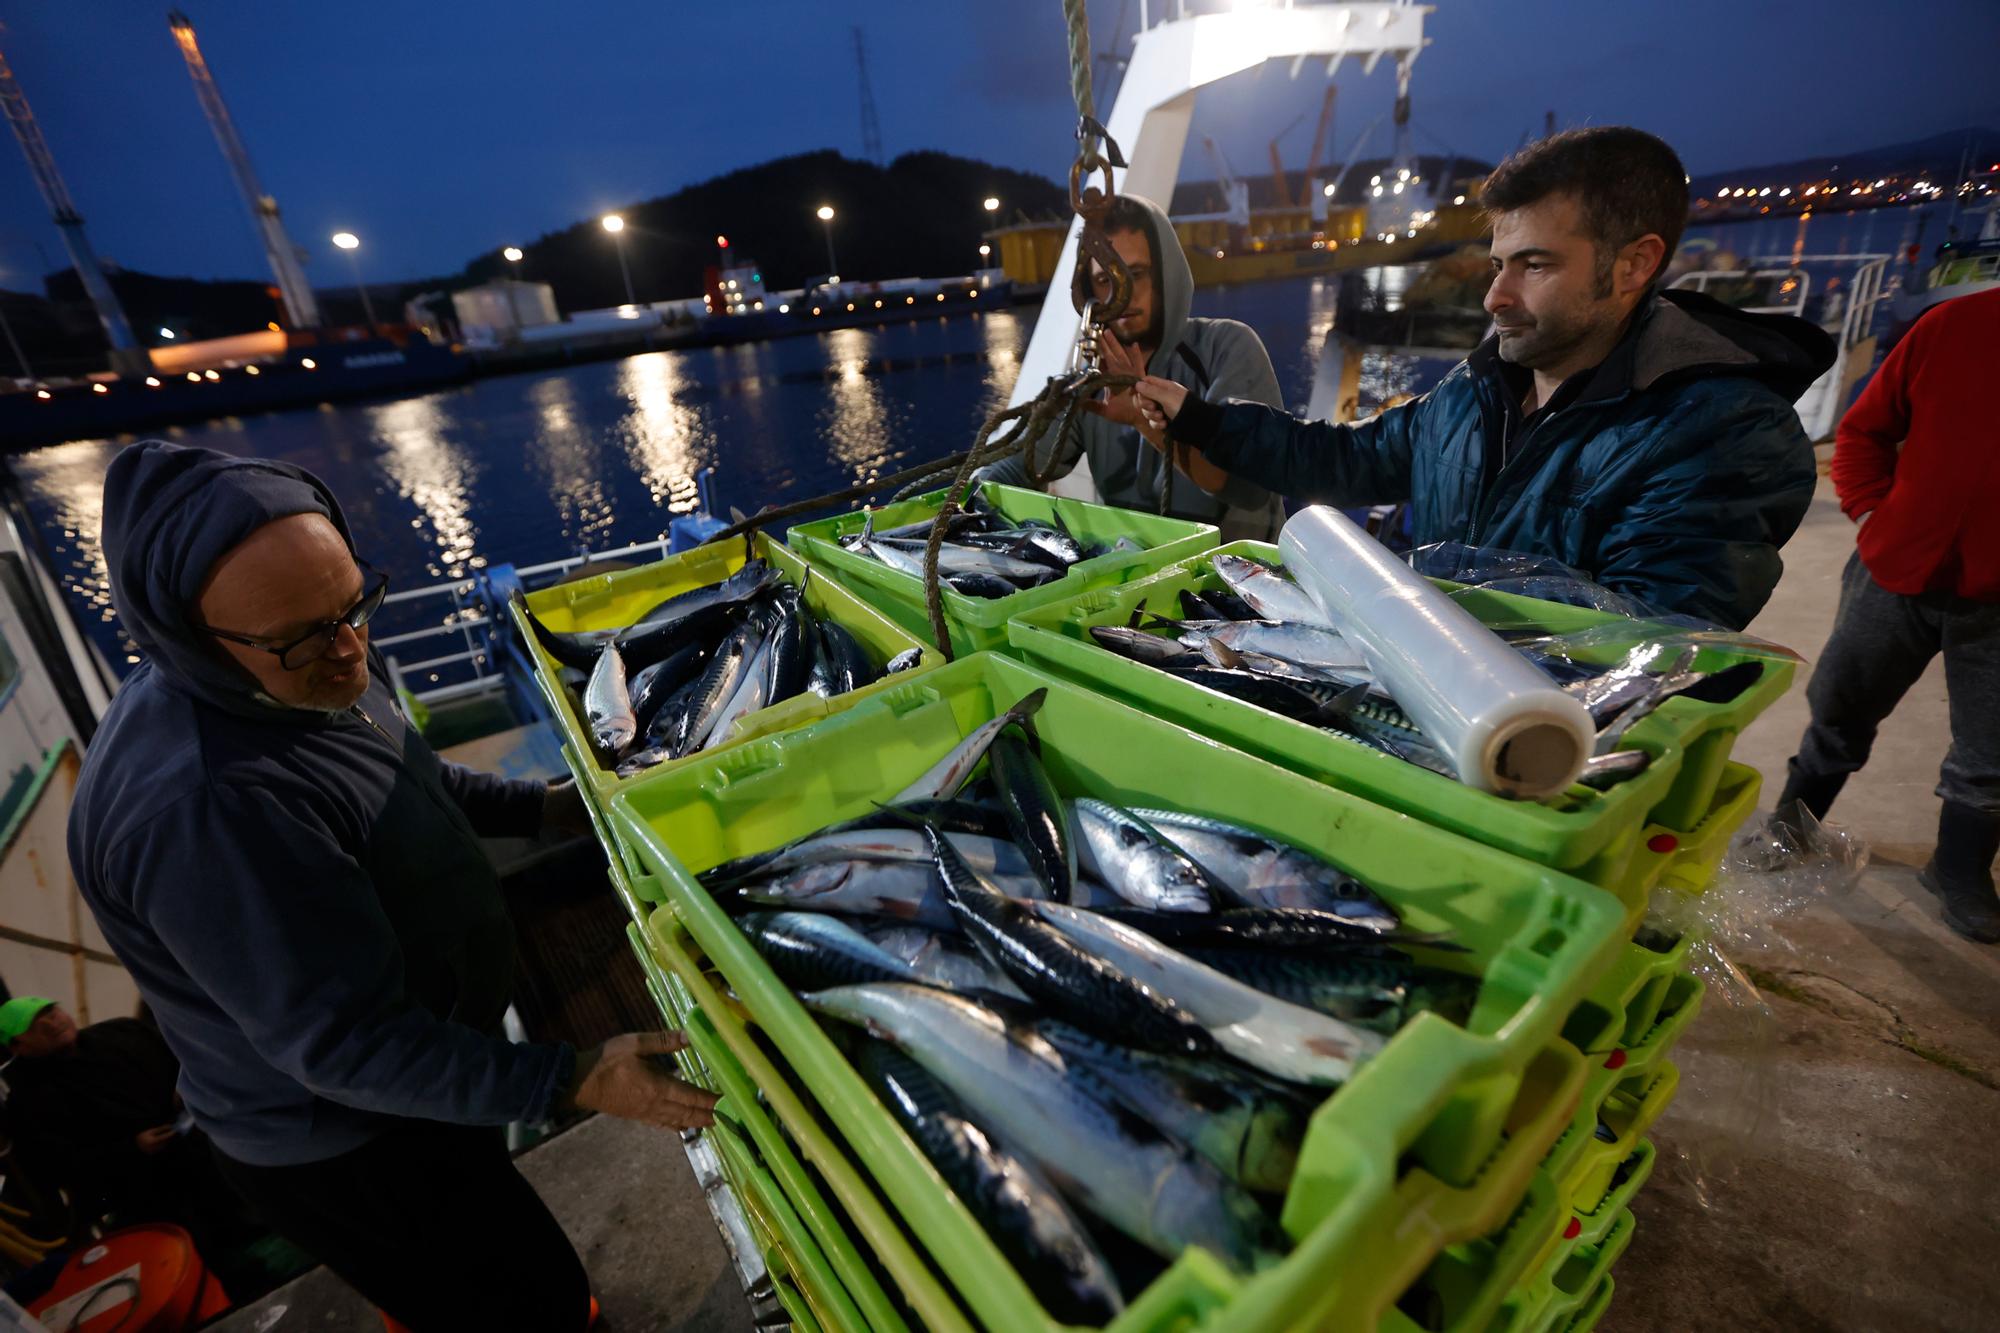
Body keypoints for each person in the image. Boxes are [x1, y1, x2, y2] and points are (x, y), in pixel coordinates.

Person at [67, 442, 719, 1331]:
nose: (348, 653)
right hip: (348, 1140)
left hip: (427, 1074)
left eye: (355, 608)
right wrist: (566, 1079)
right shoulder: (208, 811)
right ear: (193, 639)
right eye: (302, 637)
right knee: (516, 1298)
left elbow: (407, 778)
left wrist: (543, 809)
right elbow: (345, 1048)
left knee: (507, 1271)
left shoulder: (310, 675)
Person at [1130, 127, 1837, 629]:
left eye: (1535, 265)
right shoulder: (1478, 390)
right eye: (1498, 263)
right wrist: (1199, 417)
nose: (1495, 297)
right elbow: (1345, 458)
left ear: (1633, 265)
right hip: (1428, 698)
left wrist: (1428, 581)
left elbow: (1656, 645)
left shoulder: (1724, 433)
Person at [1774, 288, 2000, 943]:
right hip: (1893, 569)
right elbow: (1864, 429)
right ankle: (1794, 821)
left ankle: (1958, 871)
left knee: (1991, 746)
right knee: (1841, 701)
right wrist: (1872, 512)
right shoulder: (1955, 323)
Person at [980, 194, 1289, 542]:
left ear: (1166, 275)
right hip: (1139, 583)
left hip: (1239, 581)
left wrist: (1142, 420)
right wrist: (963, 497)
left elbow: (1250, 490)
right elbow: (1020, 465)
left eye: (1136, 274)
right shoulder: (1092, 380)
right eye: (1103, 280)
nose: (1119, 295)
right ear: (1087, 289)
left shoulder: (1227, 348)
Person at [0, 998, 254, 1265]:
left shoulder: (123, 1032)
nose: (51, 1022)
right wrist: (132, 1148)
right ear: (18, 1046)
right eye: (33, 1025)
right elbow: (59, 1166)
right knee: (209, 1256)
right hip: (146, 1193)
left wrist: (186, 1084)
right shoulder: (27, 1102)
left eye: (50, 1011)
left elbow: (184, 1057)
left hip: (211, 1152)